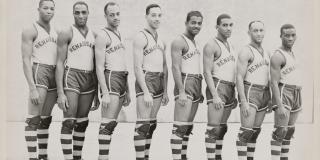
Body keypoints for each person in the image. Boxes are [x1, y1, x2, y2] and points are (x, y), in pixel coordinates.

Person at [55, 1, 98, 159]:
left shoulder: (95, 34)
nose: (81, 15)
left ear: (88, 13)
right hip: (72, 76)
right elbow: (59, 63)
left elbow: (97, 64)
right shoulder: (67, 32)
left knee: (82, 122)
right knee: (69, 121)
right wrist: (60, 93)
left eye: (83, 12)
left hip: (89, 78)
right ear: (73, 14)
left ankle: (77, 157)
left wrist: (97, 93)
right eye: (77, 12)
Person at [94, 2, 131, 160]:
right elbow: (99, 66)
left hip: (122, 78)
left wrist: (127, 89)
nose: (116, 17)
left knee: (112, 123)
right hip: (111, 78)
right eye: (112, 15)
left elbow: (122, 63)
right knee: (106, 123)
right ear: (106, 16)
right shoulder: (103, 35)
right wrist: (105, 92)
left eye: (117, 14)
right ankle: (102, 158)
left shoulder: (119, 33)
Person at [132, 3, 169, 160]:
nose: (156, 18)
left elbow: (165, 66)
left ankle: (146, 156)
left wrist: (166, 90)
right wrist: (145, 91)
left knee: (151, 125)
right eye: (153, 15)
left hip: (159, 80)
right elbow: (137, 66)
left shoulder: (161, 40)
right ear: (146, 16)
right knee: (142, 125)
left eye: (159, 15)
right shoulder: (141, 36)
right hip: (146, 79)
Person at [21, 0, 57, 159]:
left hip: (54, 73)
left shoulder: (56, 31)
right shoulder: (30, 30)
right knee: (33, 119)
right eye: (45, 8)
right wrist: (32, 88)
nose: (49, 11)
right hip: (40, 70)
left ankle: (43, 156)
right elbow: (25, 59)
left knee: (45, 119)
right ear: (39, 9)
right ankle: (32, 157)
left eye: (51, 8)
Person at [203, 14, 237, 160]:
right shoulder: (211, 45)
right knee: (213, 128)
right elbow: (206, 72)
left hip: (229, 88)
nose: (228, 28)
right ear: (217, 27)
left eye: (230, 25)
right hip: (217, 86)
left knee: (222, 128)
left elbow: (232, 71)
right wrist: (215, 95)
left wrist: (234, 94)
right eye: (224, 25)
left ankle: (218, 157)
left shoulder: (231, 46)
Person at [170, 11, 203, 160]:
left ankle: (183, 156)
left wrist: (200, 89)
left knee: (188, 126)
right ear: (186, 23)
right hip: (185, 82)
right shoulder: (179, 41)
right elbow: (175, 67)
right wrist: (181, 91)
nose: (196, 25)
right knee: (180, 126)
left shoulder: (194, 42)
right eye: (193, 22)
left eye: (199, 23)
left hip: (196, 82)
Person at [235, 21, 271, 160]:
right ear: (249, 32)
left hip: (264, 92)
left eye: (261, 30)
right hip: (250, 90)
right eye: (255, 30)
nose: (259, 33)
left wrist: (270, 97)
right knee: (246, 132)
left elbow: (268, 76)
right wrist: (243, 100)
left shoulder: (266, 51)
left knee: (255, 132)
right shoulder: (246, 51)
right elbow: (239, 76)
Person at [270, 24, 301, 160]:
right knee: (280, 130)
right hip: (284, 91)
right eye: (287, 35)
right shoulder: (278, 55)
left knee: (289, 131)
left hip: (296, 92)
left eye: (293, 35)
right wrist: (280, 105)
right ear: (281, 36)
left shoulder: (292, 53)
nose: (290, 38)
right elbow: (274, 82)